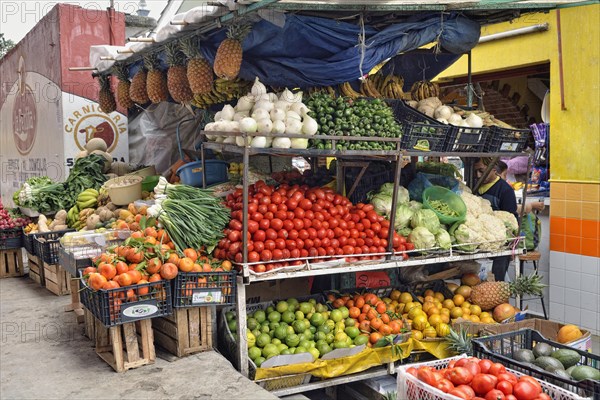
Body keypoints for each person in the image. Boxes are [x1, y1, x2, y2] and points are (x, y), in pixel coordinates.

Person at [473, 158, 517, 282]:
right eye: (475, 171)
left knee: (497, 284)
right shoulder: (474, 185)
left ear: (493, 168)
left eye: (481, 171)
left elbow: (511, 221)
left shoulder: (505, 190)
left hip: (499, 247)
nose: (478, 175)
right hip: (477, 244)